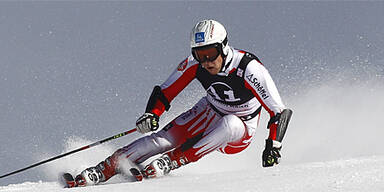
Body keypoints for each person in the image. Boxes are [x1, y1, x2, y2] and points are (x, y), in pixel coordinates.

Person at [62, 19, 293, 188]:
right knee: (162, 139)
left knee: (231, 123)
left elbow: (279, 111)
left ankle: (173, 161)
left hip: (241, 127)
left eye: (211, 53)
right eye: (199, 54)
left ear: (224, 47)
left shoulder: (247, 67)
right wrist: (152, 114)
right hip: (209, 110)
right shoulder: (195, 63)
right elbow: (165, 91)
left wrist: (273, 146)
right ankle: (105, 168)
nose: (206, 61)